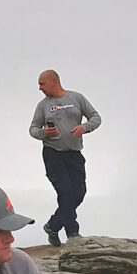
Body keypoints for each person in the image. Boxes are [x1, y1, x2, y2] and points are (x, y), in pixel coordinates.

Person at [29, 70, 102, 246]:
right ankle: (72, 232)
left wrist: (84, 128)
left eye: (42, 84)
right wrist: (44, 132)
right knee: (65, 192)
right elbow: (33, 129)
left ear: (54, 81)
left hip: (74, 153)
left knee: (79, 193)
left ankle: (53, 226)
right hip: (53, 153)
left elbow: (96, 118)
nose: (40, 88)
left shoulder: (76, 98)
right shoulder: (43, 105)